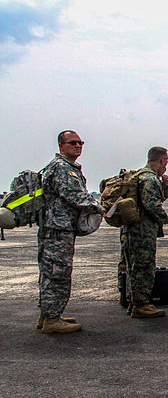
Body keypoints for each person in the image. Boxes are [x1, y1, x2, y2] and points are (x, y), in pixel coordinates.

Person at [37, 130, 103, 334]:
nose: (78, 145)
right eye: (72, 142)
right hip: (58, 229)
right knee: (58, 273)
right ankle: (52, 320)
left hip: (57, 228)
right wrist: (99, 206)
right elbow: (73, 195)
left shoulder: (65, 167)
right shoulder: (61, 168)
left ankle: (48, 314)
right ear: (61, 146)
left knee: (51, 272)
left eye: (80, 142)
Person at [121, 147, 168, 318]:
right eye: (167, 160)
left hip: (132, 229)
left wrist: (165, 186)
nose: (167, 164)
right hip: (142, 230)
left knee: (132, 267)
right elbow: (152, 204)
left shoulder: (139, 176)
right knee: (144, 267)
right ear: (162, 160)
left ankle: (133, 302)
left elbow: (151, 199)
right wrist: (164, 217)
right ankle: (141, 304)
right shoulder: (150, 179)